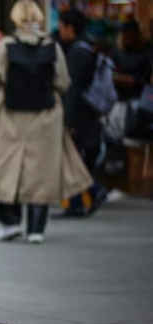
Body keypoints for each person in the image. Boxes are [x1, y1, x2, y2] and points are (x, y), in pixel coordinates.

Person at [0, 0, 92, 244]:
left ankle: (10, 222)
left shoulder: (5, 45)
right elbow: (63, 81)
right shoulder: (52, 46)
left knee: (7, 168)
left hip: (9, 116)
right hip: (45, 117)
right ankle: (36, 228)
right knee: (41, 173)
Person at [53, 9, 107, 219]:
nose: (60, 31)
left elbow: (73, 88)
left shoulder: (77, 53)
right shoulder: (87, 48)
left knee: (71, 158)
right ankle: (80, 199)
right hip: (87, 112)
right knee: (73, 157)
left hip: (79, 114)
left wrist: (68, 119)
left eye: (62, 26)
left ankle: (90, 191)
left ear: (70, 27)